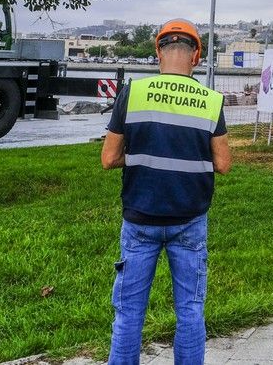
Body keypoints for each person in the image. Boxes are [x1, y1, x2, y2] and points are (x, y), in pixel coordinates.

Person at [102, 18, 232, 365]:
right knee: (190, 312)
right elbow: (223, 163)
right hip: (189, 219)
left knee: (129, 313)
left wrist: (143, 155)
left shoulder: (133, 94)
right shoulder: (210, 101)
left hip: (140, 218)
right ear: (196, 57)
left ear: (158, 51)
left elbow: (108, 158)